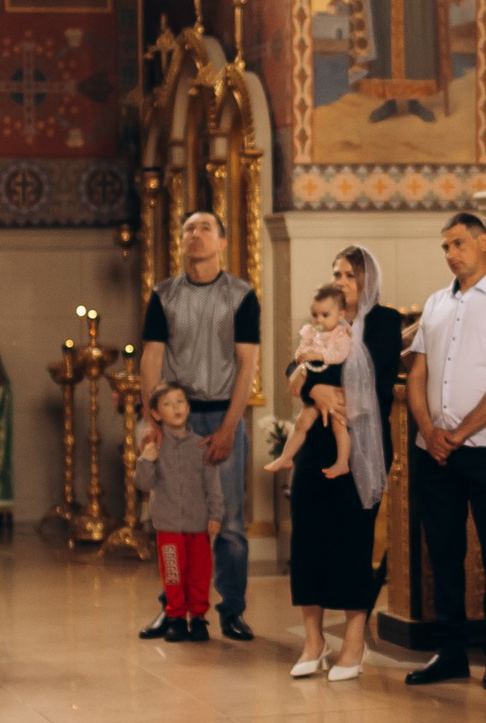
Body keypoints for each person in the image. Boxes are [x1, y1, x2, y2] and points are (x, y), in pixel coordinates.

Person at [406, 212, 486, 689]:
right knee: (443, 553)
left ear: (484, 243)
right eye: (445, 246)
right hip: (433, 450)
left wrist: (456, 434)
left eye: (458, 243)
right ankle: (451, 652)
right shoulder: (437, 303)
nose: (451, 253)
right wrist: (429, 429)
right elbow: (417, 371)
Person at [138, 212, 260, 640]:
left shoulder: (241, 294)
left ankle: (231, 610)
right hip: (177, 418)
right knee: (174, 520)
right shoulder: (165, 294)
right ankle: (171, 609)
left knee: (225, 521)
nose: (196, 234)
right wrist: (151, 420)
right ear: (181, 240)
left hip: (223, 413)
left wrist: (230, 427)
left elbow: (248, 365)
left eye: (205, 228)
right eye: (188, 228)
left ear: (222, 242)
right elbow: (152, 357)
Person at [287, 246, 404, 681]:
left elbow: (381, 380)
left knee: (354, 542)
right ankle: (314, 640)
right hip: (317, 444)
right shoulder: (322, 320)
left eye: (350, 275)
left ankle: (354, 641)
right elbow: (293, 370)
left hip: (363, 444)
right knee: (308, 539)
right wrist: (311, 392)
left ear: (368, 279)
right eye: (336, 273)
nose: (341, 281)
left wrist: (332, 394)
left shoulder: (385, 322)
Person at [137, 385, 221, 643]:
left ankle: (198, 618)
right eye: (168, 404)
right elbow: (143, 484)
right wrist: (146, 460)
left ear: (188, 406)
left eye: (180, 401)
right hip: (169, 525)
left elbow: (213, 485)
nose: (176, 408)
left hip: (198, 526)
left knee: (199, 574)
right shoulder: (155, 446)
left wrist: (216, 514)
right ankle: (175, 618)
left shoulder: (201, 446)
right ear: (156, 413)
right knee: (173, 574)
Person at [266, 284, 357, 479]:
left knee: (339, 426)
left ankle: (342, 462)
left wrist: (317, 354)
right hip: (315, 388)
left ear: (341, 314)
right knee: (301, 422)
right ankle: (287, 456)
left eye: (325, 315)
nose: (319, 320)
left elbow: (338, 355)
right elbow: (299, 354)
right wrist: (301, 355)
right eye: (315, 315)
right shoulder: (313, 333)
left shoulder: (341, 335)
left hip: (335, 387)